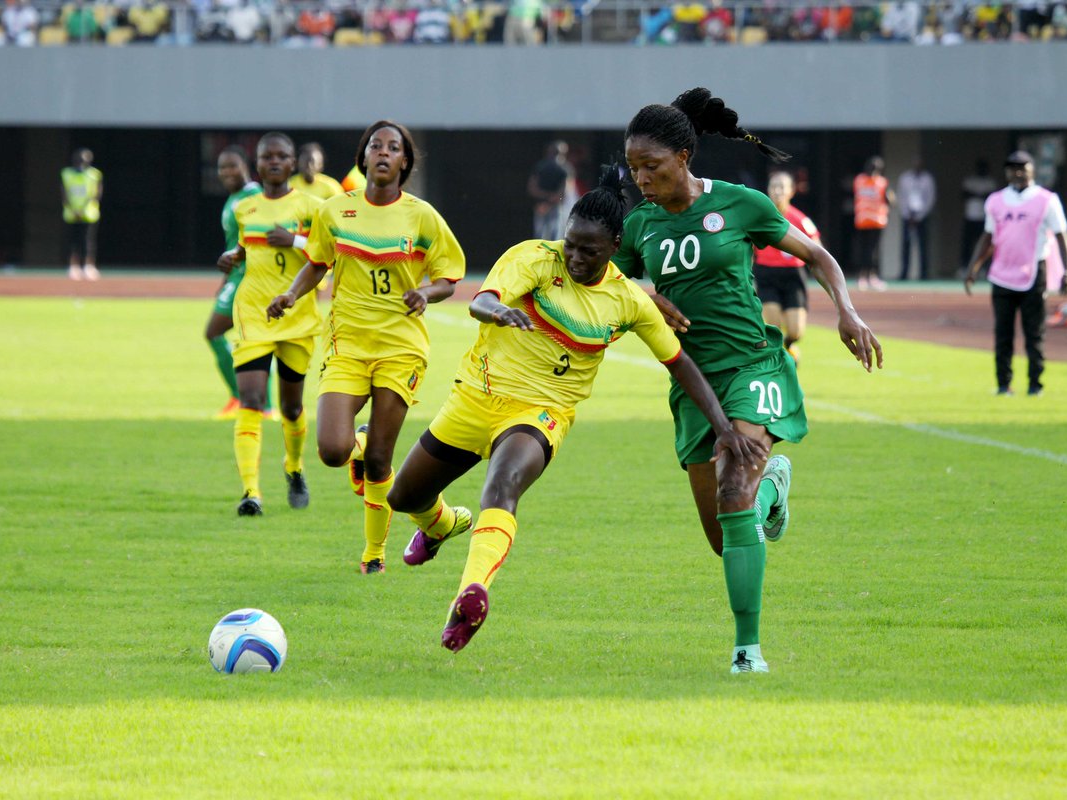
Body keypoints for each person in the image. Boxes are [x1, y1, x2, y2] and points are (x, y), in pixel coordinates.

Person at [385, 167, 769, 654]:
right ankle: (442, 525)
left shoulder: (627, 300)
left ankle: (470, 593)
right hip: (474, 399)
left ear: (615, 247)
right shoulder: (534, 259)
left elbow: (680, 363)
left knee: (502, 487)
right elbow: (481, 300)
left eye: (590, 250)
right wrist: (497, 311)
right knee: (404, 496)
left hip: (540, 414)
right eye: (571, 244)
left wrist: (722, 428)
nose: (576, 258)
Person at [617, 88, 882, 674]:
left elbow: (819, 257)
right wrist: (647, 294)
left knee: (734, 490)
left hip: (751, 365)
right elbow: (605, 281)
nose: (641, 178)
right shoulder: (637, 226)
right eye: (633, 167)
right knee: (725, 536)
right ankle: (773, 487)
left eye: (652, 166)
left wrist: (847, 309)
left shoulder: (740, 204)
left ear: (684, 157)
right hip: (691, 382)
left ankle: (747, 652)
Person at [267, 120, 466, 574]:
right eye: (375, 144)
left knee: (380, 458)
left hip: (401, 346)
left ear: (404, 162)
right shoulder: (335, 211)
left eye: (393, 147)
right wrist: (290, 295)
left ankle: (373, 555)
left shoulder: (422, 216)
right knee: (333, 451)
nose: (383, 151)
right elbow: (317, 263)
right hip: (348, 343)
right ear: (364, 157)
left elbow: (449, 278)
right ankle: (356, 443)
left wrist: (426, 294)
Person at [216, 132, 324, 516]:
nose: (274, 162)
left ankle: (294, 467)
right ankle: (251, 492)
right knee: (251, 400)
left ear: (293, 163)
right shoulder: (246, 208)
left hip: (298, 317)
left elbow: (329, 255)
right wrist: (233, 257)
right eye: (267, 157)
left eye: (282, 156)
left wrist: (295, 241)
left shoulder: (313, 207)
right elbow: (246, 248)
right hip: (254, 315)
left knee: (292, 409)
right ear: (257, 164)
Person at [965, 150, 1067, 397]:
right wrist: (974, 267)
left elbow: (1061, 236)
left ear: (1032, 170)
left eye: (1022, 167)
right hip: (1001, 275)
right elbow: (988, 236)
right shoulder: (995, 200)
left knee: (1034, 333)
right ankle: (1004, 385)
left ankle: (1035, 385)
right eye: (1012, 167)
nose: (1017, 171)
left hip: (1034, 273)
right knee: (1003, 334)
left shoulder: (1046, 200)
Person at [207, 146, 262, 420]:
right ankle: (247, 400)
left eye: (232, 165)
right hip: (236, 276)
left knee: (217, 332)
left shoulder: (253, 196)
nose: (226, 172)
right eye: (222, 167)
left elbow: (257, 237)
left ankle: (248, 400)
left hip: (249, 276)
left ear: (246, 166)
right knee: (249, 338)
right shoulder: (234, 197)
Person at [753, 171, 822, 364]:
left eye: (782, 186)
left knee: (796, 331)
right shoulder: (758, 218)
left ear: (791, 191)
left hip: (793, 276)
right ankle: (779, 364)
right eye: (773, 186)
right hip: (766, 274)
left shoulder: (800, 219)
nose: (777, 191)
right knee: (773, 327)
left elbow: (817, 248)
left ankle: (790, 346)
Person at [60, 148, 103, 281]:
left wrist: (83, 209)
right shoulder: (66, 173)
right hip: (71, 213)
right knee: (72, 241)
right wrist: (73, 209)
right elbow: (64, 192)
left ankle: (88, 266)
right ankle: (73, 267)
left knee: (88, 241)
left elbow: (95, 194)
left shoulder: (94, 174)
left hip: (88, 213)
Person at [852, 156, 892, 291]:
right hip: (871, 220)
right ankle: (866, 277)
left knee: (870, 251)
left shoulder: (859, 180)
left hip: (869, 220)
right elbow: (889, 200)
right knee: (869, 251)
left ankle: (868, 277)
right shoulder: (880, 182)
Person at [897, 157, 936, 280]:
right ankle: (904, 273)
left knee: (923, 246)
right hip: (907, 216)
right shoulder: (904, 178)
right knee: (905, 245)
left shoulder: (928, 179)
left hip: (921, 217)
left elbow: (930, 199)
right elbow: (901, 197)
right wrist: (907, 215)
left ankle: (924, 274)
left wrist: (919, 216)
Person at [528, 140, 570, 241]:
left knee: (541, 237)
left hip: (543, 206)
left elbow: (532, 189)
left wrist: (545, 202)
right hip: (551, 206)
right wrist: (550, 200)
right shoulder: (564, 169)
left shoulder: (540, 166)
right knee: (553, 237)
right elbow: (564, 193)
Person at [960, 159, 998, 269]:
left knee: (985, 245)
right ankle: (964, 267)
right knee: (967, 244)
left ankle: (985, 268)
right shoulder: (970, 180)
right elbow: (964, 195)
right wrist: (979, 195)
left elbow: (991, 197)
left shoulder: (990, 182)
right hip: (970, 216)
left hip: (984, 218)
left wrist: (977, 194)